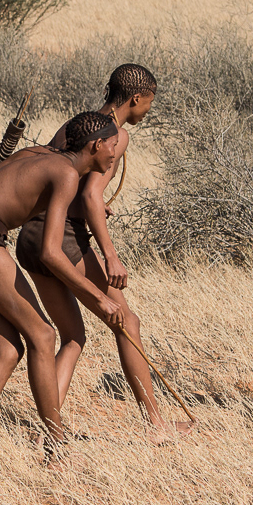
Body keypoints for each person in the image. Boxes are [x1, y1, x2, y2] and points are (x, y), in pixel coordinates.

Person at [0, 111, 124, 471]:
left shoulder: (39, 156)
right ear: (96, 145)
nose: (115, 153)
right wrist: (98, 296)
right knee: (43, 335)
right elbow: (51, 253)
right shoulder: (66, 173)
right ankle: (57, 450)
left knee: (8, 349)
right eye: (113, 146)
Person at [19, 64, 188, 439]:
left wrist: (87, 204)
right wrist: (110, 253)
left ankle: (50, 426)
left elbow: (65, 179)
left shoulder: (76, 124)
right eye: (149, 104)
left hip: (32, 235)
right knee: (128, 322)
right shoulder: (115, 135)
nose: (147, 111)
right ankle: (156, 424)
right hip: (62, 237)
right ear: (136, 99)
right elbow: (92, 193)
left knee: (73, 336)